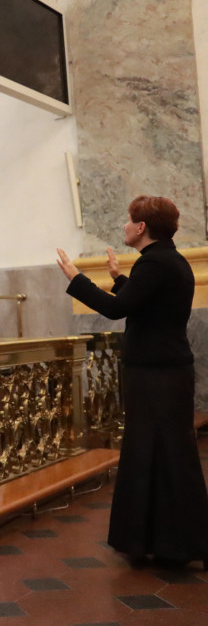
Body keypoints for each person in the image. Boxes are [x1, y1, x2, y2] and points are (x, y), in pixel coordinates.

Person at [57, 195, 208, 568]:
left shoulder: (155, 262)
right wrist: (119, 278)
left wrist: (76, 278)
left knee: (165, 454)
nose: (125, 225)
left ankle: (185, 542)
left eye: (129, 220)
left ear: (142, 227)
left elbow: (116, 309)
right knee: (157, 454)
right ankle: (165, 541)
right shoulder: (166, 260)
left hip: (157, 374)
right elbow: (146, 303)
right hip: (162, 372)